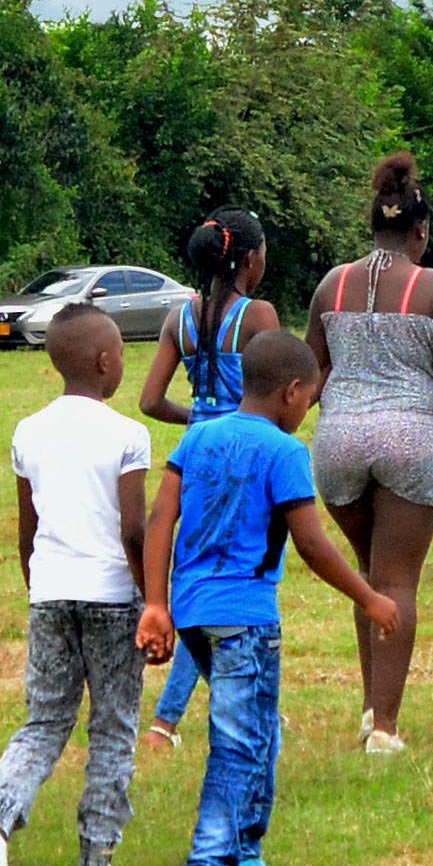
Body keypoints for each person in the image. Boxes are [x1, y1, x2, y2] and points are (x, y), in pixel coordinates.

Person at [140, 328, 399, 866]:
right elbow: (312, 543)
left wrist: (156, 602)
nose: (308, 409)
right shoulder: (285, 452)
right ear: (290, 392)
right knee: (238, 741)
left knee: (259, 731)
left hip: (191, 612)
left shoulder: (199, 436)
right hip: (245, 617)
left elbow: (160, 520)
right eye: (310, 398)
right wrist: (368, 596)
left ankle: (246, 855)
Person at [304, 152, 433, 752]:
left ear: (372, 225)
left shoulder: (331, 284)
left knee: (369, 576)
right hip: (411, 439)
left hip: (339, 439)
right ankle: (388, 731)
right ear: (420, 231)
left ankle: (373, 708)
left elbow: (311, 370)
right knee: (397, 582)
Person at [0, 304, 157, 866]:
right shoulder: (127, 434)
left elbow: (28, 526)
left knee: (44, 720)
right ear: (103, 363)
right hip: (112, 597)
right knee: (114, 726)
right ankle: (96, 865)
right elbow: (134, 531)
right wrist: (152, 600)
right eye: (121, 354)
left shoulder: (29, 430)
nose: (123, 363)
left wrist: (34, 583)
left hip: (49, 592)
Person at [139, 209, 281, 747]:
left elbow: (150, 400)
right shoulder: (258, 316)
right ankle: (167, 721)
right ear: (249, 259)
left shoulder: (180, 317)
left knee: (197, 577)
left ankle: (224, 699)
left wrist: (195, 418)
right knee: (233, 583)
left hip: (192, 454)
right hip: (244, 455)